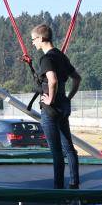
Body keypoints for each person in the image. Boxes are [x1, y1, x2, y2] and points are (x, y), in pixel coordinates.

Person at [31, 24, 81, 190]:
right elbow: (77, 78)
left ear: (41, 38)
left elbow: (52, 80)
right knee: (69, 149)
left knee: (57, 153)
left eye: (33, 39)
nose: (33, 43)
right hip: (64, 107)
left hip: (51, 110)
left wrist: (50, 100)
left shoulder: (46, 59)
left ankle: (58, 190)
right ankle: (74, 185)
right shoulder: (61, 56)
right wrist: (68, 97)